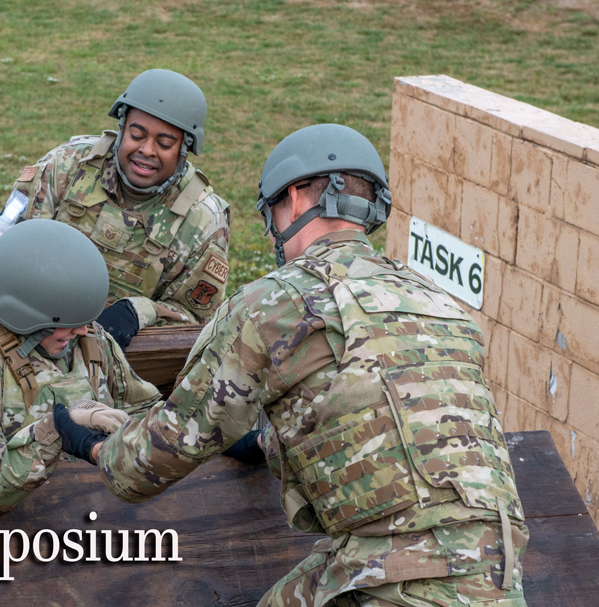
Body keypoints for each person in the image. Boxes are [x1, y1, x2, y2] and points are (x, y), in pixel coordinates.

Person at [54, 124, 529, 606]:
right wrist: (267, 441)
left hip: (396, 580)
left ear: (298, 198)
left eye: (276, 210)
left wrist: (93, 446)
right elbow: (381, 414)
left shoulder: (274, 304)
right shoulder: (441, 304)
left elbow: (148, 464)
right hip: (496, 577)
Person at [0, 219, 165, 516]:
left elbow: (142, 409)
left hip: (84, 517)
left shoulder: (87, 339)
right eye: (68, 322)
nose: (83, 331)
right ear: (24, 313)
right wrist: (56, 431)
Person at [0, 69, 231, 349]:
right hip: (27, 326)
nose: (147, 150)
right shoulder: (67, 165)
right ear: (121, 129)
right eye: (137, 134)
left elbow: (198, 321)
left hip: (122, 357)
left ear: (184, 149)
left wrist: (138, 312)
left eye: (165, 143)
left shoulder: (202, 218)